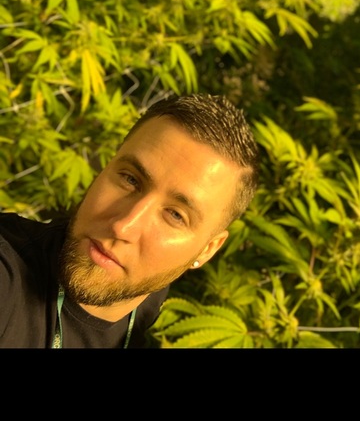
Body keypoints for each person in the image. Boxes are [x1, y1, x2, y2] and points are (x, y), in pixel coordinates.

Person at [0, 93, 260, 348]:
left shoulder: (147, 296)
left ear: (206, 249)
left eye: (175, 215)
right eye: (130, 179)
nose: (123, 227)